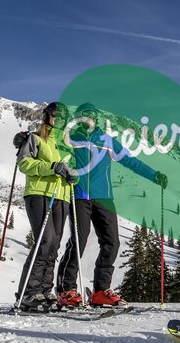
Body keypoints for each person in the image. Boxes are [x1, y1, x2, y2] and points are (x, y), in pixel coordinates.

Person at [56, 102, 168, 307]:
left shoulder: (108, 141)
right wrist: (26, 139)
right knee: (78, 241)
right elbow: (50, 143)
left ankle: (100, 291)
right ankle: (66, 290)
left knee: (112, 242)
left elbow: (131, 161)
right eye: (84, 116)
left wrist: (155, 176)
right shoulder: (71, 138)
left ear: (97, 119)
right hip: (80, 195)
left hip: (104, 197)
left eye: (92, 116)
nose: (88, 119)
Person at [12, 102, 75, 312]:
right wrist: (52, 168)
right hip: (39, 194)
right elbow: (24, 163)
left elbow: (71, 168)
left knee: (54, 244)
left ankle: (46, 290)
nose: (59, 120)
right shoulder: (36, 138)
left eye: (63, 117)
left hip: (62, 196)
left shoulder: (67, 144)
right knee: (44, 241)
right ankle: (29, 292)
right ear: (47, 116)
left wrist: (73, 176)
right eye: (56, 115)